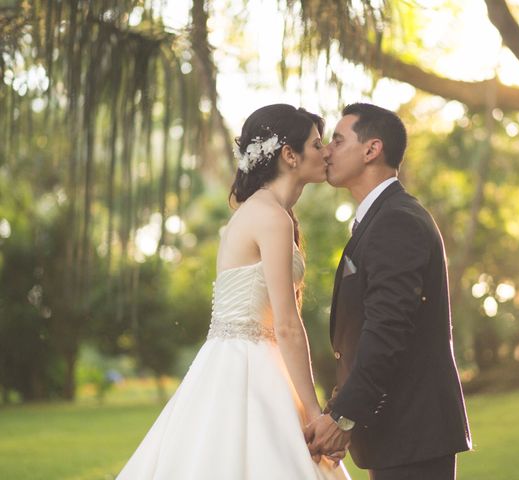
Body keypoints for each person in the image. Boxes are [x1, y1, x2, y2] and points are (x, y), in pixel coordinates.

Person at [117, 104, 349, 479]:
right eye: (318, 143)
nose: (327, 153)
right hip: (250, 366)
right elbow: (288, 324)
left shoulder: (263, 212)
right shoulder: (271, 217)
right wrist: (314, 413)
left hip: (236, 359)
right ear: (289, 155)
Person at [305, 103, 472, 480]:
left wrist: (343, 416)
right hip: (398, 433)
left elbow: (387, 328)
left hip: (415, 433)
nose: (326, 151)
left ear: (371, 149)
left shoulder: (397, 220)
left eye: (337, 140)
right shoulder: (380, 219)